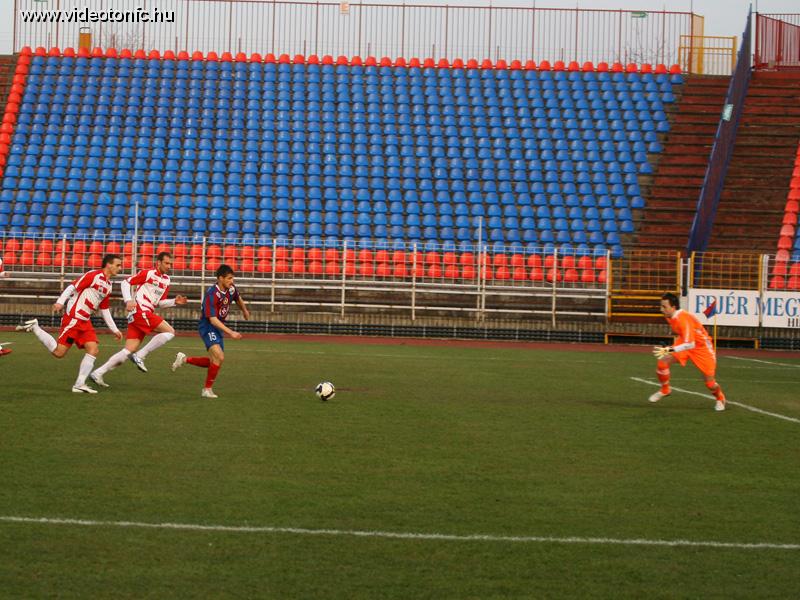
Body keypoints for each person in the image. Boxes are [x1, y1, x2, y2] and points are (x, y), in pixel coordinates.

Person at [16, 254, 123, 393]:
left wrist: (114, 329)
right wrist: (60, 302)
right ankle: (36, 327)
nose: (120, 268)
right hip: (74, 317)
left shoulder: (108, 286)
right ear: (108, 265)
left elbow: (104, 309)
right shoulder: (93, 275)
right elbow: (72, 286)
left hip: (85, 321)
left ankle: (79, 384)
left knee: (93, 349)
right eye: (118, 265)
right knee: (59, 353)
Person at [89, 251, 187, 387]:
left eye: (171, 264)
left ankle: (98, 373)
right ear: (158, 262)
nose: (169, 266)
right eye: (166, 263)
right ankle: (140, 355)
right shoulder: (148, 273)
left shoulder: (166, 280)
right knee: (170, 331)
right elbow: (125, 283)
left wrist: (174, 302)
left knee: (128, 351)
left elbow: (160, 302)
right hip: (140, 310)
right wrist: (128, 300)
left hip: (141, 314)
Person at [171, 264, 249, 398]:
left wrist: (245, 310)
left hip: (218, 326)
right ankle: (207, 390)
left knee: (215, 361)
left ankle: (183, 359)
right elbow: (212, 319)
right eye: (229, 278)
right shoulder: (212, 294)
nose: (232, 281)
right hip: (208, 326)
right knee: (219, 356)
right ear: (220, 278)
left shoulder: (231, 289)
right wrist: (231, 332)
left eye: (232, 278)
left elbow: (238, 298)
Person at [650, 292, 727, 411]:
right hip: (685, 342)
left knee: (710, 383)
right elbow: (686, 340)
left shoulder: (683, 319)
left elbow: (690, 344)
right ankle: (665, 390)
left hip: (701, 347)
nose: (661, 309)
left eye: (664, 307)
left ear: (673, 307)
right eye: (661, 306)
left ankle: (720, 398)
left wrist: (670, 349)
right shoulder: (669, 316)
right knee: (662, 363)